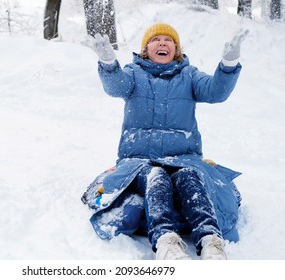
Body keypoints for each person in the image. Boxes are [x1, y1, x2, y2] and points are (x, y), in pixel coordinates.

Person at [82, 23, 248, 260]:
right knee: (156, 178)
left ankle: (210, 240)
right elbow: (115, 86)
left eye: (168, 40)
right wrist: (109, 64)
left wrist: (229, 65)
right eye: (155, 39)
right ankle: (166, 241)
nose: (162, 43)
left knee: (189, 178)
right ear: (145, 49)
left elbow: (215, 92)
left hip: (183, 159)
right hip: (140, 161)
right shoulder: (133, 73)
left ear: (176, 49)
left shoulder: (189, 75)